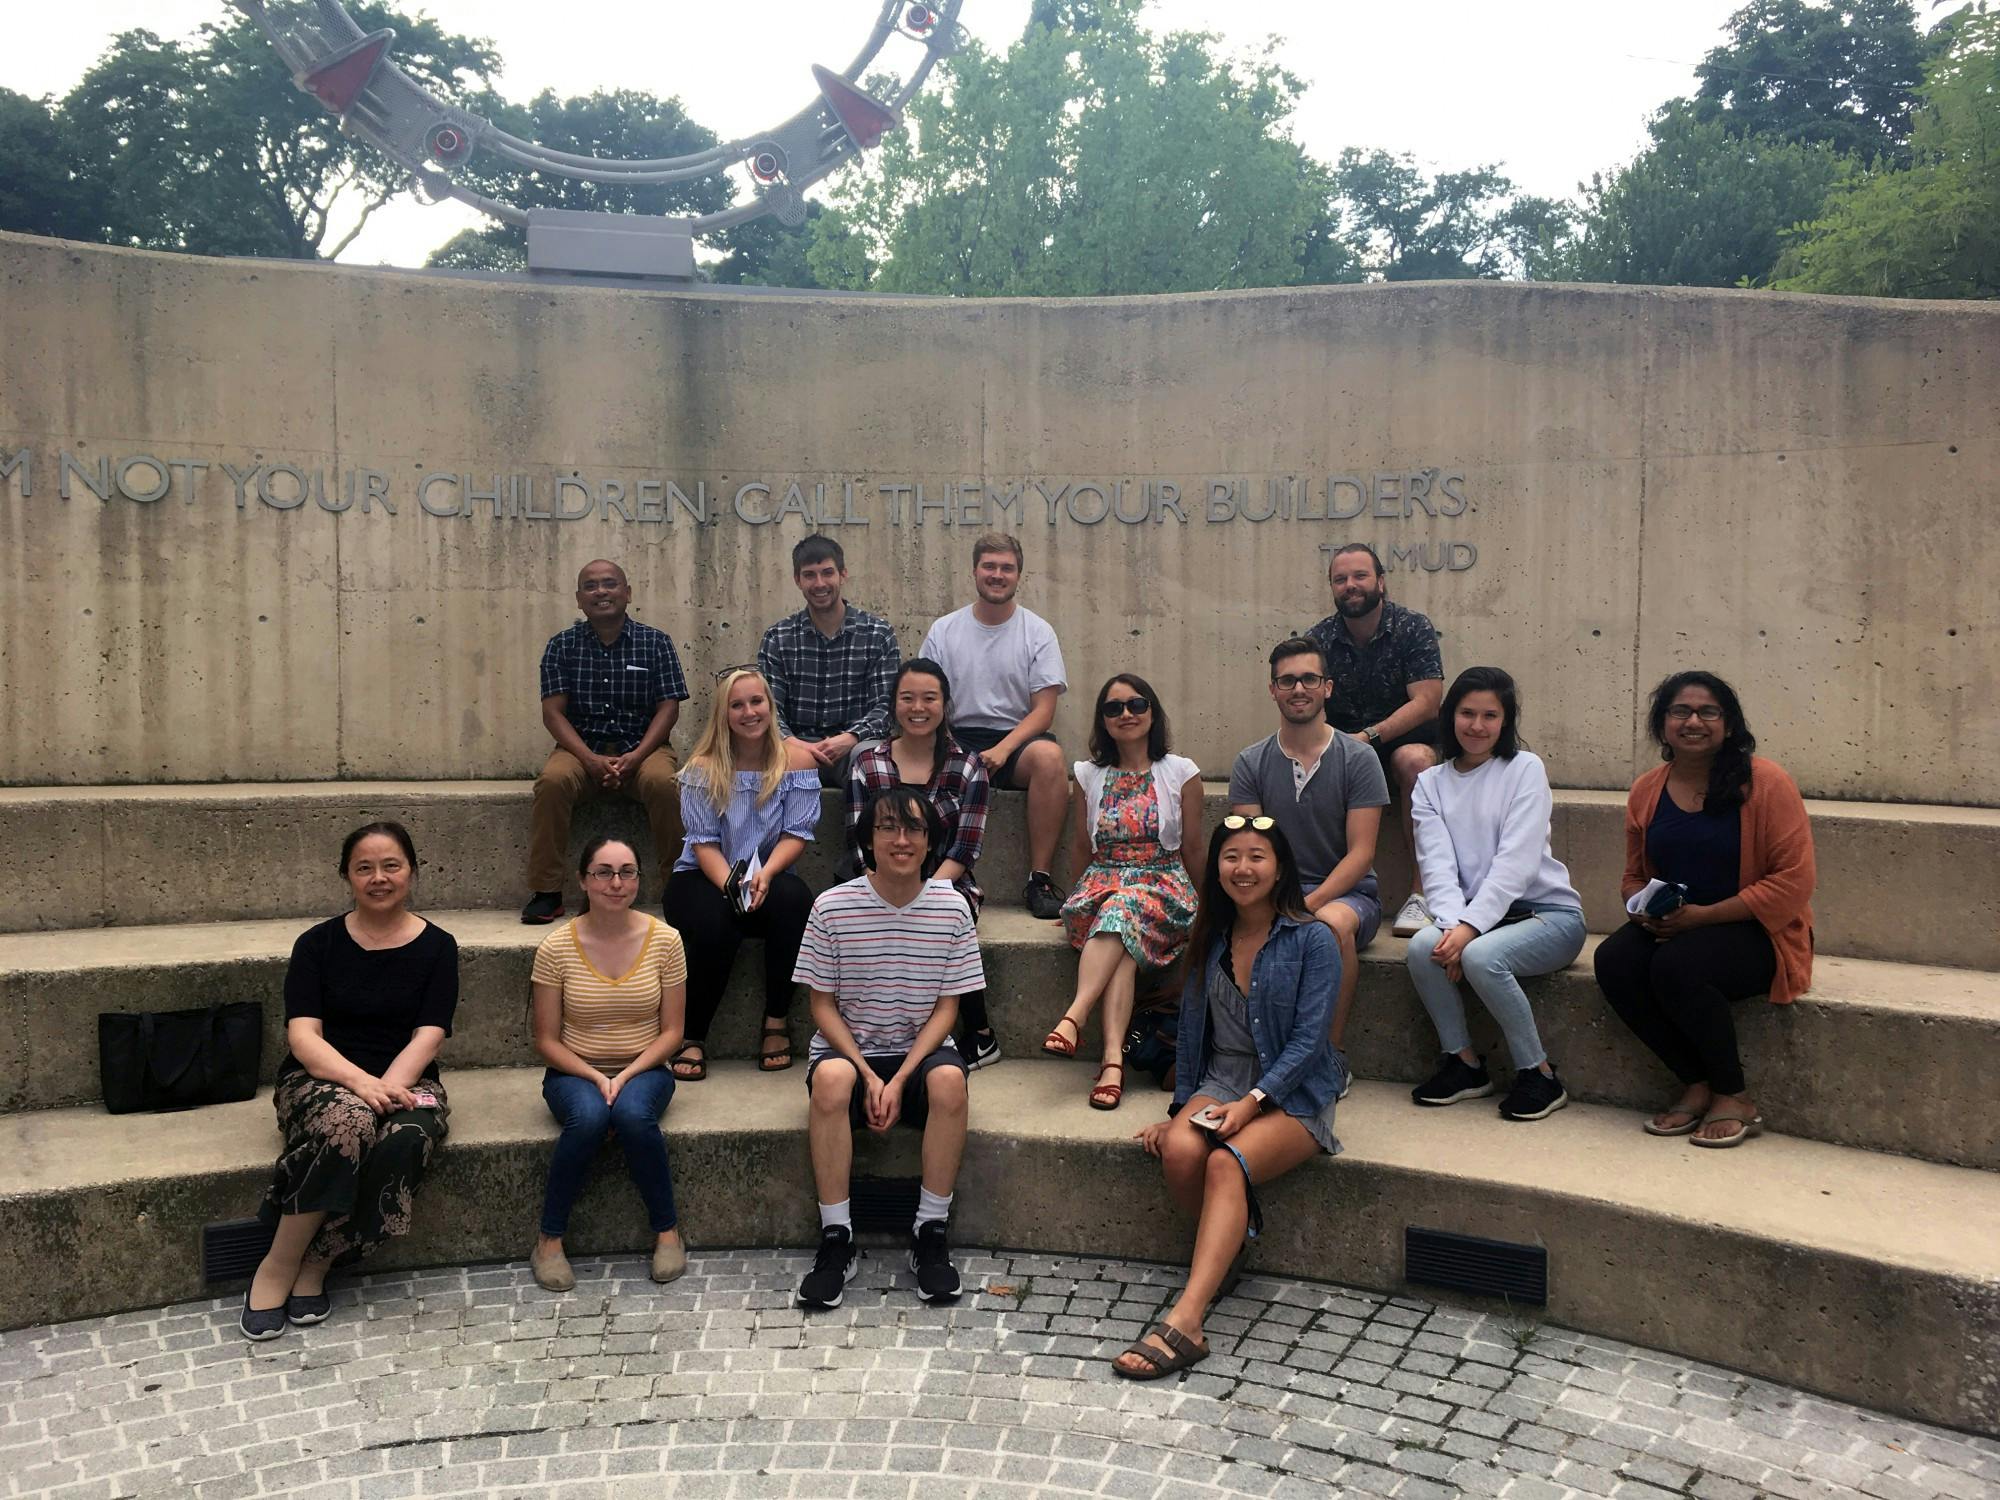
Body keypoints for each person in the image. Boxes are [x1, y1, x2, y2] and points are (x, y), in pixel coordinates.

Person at [1114, 816, 1343, 1380]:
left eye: (1257, 856)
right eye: (1231, 857)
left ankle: (1188, 1320)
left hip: (1295, 1089)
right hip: (1222, 1076)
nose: (1243, 869)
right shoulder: (1210, 936)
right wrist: (1179, 1112)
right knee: (1181, 1150)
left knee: (1224, 1161)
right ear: (1216, 868)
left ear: (1281, 867)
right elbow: (1194, 1035)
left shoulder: (1314, 939)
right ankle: (1232, 1243)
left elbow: (1311, 1043)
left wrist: (1253, 1103)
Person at [243, 822, 458, 1340]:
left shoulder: (438, 947)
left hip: (408, 1078)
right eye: (364, 867)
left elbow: (429, 1035)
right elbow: (304, 1038)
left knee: (407, 1137)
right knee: (349, 1121)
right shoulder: (317, 945)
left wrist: (387, 1088)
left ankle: (318, 1260)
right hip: (320, 1079)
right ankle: (278, 1261)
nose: (379, 878)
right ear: (346, 875)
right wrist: (362, 1085)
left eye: (391, 866)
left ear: (412, 870)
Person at [1594, 671, 1816, 1148]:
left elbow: (1794, 881)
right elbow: (1634, 876)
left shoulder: (1768, 783)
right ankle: (1694, 1082)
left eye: (1708, 712)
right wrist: (1640, 910)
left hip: (1756, 931)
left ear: (1729, 724)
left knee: (1677, 966)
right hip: (1677, 923)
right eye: (1680, 711)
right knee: (1614, 960)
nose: (1693, 721)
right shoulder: (1646, 790)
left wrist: (1703, 917)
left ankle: (1733, 1095)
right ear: (1663, 724)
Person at [794, 788, 986, 1308]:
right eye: (887, 828)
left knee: (949, 1079)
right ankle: (837, 1238)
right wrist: (869, 1073)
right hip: (850, 1052)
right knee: (832, 1080)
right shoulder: (831, 907)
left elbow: (949, 1008)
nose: (901, 840)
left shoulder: (953, 908)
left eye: (915, 830)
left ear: (930, 843)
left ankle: (930, 1233)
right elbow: (822, 1006)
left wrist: (900, 1077)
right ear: (867, 839)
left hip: (920, 1054)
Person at [1404, 668, 1586, 1122]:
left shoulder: (1524, 769)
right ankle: (1463, 1064)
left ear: (1506, 721)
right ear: (1451, 717)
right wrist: (1450, 927)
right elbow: (1437, 865)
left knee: (1481, 957)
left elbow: (1516, 864)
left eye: (1490, 715)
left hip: (1549, 916)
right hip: (1478, 918)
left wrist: (1467, 930)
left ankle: (1539, 1073)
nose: (1477, 726)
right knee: (1422, 947)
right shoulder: (1431, 783)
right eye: (1467, 713)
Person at [528, 836, 690, 1293]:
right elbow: (545, 1039)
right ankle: (549, 1240)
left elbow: (673, 1033)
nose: (615, 883)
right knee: (590, 1118)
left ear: (639, 879)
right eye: (603, 872)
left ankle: (667, 1232)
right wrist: (598, 1077)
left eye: (627, 872)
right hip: (574, 1070)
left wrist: (628, 1074)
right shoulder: (556, 947)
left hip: (647, 1067)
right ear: (583, 879)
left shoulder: (666, 939)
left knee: (634, 1117)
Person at [1043, 675, 1200, 1111]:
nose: (1126, 714)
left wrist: (1213, 906)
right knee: (1121, 927)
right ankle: (1113, 1062)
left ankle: (1075, 1016)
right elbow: (1080, 844)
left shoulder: (1181, 772)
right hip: (1102, 881)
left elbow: (1193, 848)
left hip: (1162, 883)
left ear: (1152, 712)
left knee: (1121, 909)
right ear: (1103, 720)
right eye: (1114, 708)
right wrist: (1074, 899)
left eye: (1136, 704)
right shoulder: (1089, 775)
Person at [1229, 638, 1388, 1053]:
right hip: (1275, 893)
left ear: (1327, 687)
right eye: (1287, 680)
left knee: (1330, 927)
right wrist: (1278, 904)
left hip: (1348, 898)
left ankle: (1328, 1058)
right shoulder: (1251, 762)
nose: (1298, 689)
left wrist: (1309, 903)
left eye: (1309, 679)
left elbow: (1362, 853)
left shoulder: (1359, 759)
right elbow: (1251, 850)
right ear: (1273, 690)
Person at [660, 668, 820, 1080]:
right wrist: (734, 885)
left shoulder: (796, 761)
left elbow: (796, 833)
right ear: (723, 714)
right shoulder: (704, 766)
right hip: (703, 874)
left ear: (770, 706)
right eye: (737, 705)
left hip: (769, 869)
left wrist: (764, 874)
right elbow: (703, 842)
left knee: (797, 902)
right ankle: (693, 1034)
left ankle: (776, 1020)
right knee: (718, 922)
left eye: (757, 702)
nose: (749, 712)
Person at [845, 658, 1001, 1069]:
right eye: (907, 697)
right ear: (894, 704)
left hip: (946, 882)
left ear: (945, 704)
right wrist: (888, 889)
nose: (918, 707)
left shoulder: (969, 767)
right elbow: (859, 842)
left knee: (950, 911)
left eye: (929, 698)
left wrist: (923, 893)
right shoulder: (867, 763)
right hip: (875, 879)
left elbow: (965, 849)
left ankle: (981, 1034)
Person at [524, 559, 690, 924]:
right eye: (591, 586)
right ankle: (546, 892)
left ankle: (680, 887)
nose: (601, 592)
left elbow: (668, 709)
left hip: (645, 747)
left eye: (610, 584)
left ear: (627, 592)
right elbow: (553, 713)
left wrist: (636, 756)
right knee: (551, 783)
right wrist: (588, 759)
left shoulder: (656, 643)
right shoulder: (561, 646)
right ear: (579, 599)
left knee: (666, 784)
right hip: (580, 748)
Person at [918, 531, 1070, 920]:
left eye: (1007, 568)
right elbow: (926, 698)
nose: (997, 574)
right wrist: (951, 746)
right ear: (975, 571)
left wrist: (1004, 749)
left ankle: (1040, 879)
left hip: (1017, 739)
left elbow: (1044, 711)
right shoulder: (944, 630)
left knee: (1051, 758)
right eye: (990, 566)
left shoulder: (1038, 631)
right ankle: (932, 873)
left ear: (1019, 575)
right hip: (954, 735)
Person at [1306, 542, 1444, 938]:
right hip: (1345, 748)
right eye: (1340, 579)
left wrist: (1368, 737)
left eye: (1360, 576)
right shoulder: (1320, 639)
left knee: (1413, 760)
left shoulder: (1412, 627)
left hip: (1406, 748)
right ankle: (1322, 887)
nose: (1351, 585)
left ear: (1380, 582)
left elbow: (1428, 701)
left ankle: (1421, 894)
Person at [757, 535, 901, 788]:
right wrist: (795, 743)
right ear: (797, 580)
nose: (820, 583)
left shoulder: (878, 634)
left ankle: (865, 829)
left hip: (855, 745)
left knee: (875, 764)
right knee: (774, 761)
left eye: (827, 573)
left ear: (843, 575)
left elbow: (885, 706)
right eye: (810, 575)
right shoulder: (778, 638)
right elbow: (769, 708)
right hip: (795, 744)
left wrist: (850, 738)